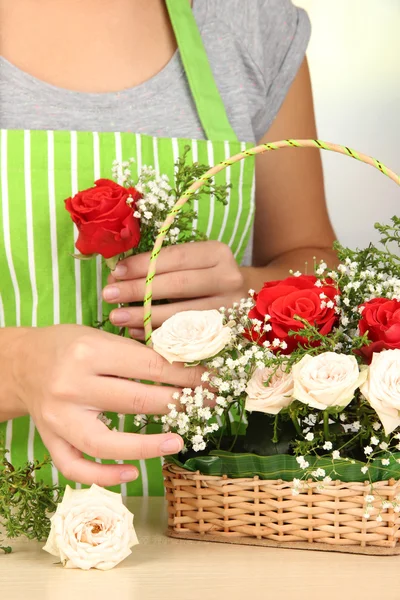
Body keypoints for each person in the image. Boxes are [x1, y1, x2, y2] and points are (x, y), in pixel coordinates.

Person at [0, 0, 337, 494]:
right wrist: (16, 366)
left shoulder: (253, 26)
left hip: (219, 521)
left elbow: (313, 256)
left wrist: (250, 294)